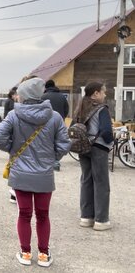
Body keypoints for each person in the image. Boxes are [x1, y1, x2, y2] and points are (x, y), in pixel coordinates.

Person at [0, 78, 70, 267]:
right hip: (44, 173)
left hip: (20, 172)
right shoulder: (55, 117)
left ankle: (25, 253)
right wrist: (52, 158)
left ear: (24, 95)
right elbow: (64, 144)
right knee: (43, 215)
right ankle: (44, 254)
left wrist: (11, 149)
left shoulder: (14, 115)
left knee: (24, 214)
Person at [73, 82, 113, 231]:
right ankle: (101, 220)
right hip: (98, 147)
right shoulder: (102, 109)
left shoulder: (80, 106)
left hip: (83, 148)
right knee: (101, 183)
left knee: (86, 181)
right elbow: (107, 132)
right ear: (95, 93)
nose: (105, 94)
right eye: (103, 91)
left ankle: (86, 217)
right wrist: (110, 143)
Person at [42, 79, 69, 171]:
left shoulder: (43, 96)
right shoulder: (62, 96)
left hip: (45, 124)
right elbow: (66, 109)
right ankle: (56, 162)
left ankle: (46, 161)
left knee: (47, 142)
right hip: (59, 122)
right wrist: (62, 118)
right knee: (58, 141)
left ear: (46, 87)